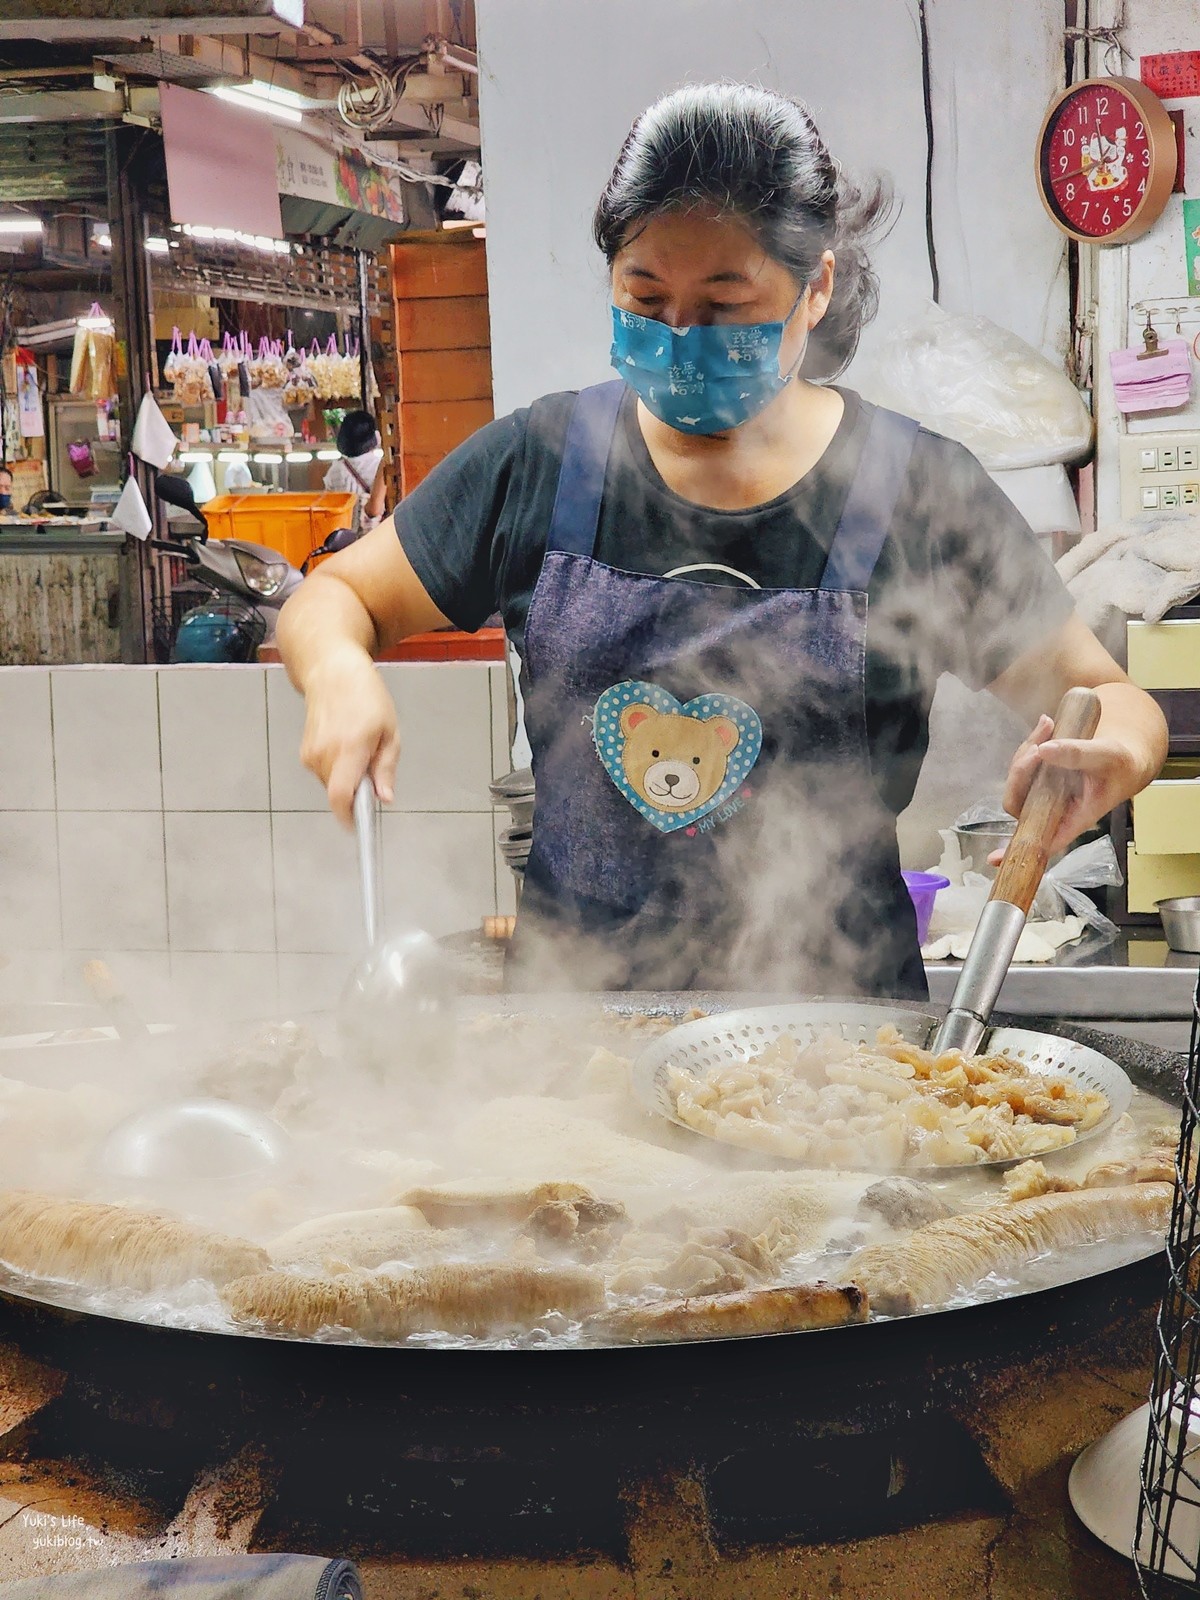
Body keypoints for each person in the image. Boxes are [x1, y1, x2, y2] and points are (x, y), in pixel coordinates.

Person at [277, 82, 1166, 996]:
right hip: (572, 1049)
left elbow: (1108, 696)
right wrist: (339, 672)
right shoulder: (541, 461)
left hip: (839, 1060)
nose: (679, 336)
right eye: (647, 296)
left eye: (725, 304)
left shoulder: (916, 492)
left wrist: (1116, 755)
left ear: (814, 287)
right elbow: (335, 597)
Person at [323, 410, 386, 533]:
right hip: (374, 536)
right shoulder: (379, 466)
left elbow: (328, 507)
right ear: (375, 437)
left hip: (344, 537)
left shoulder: (334, 470)